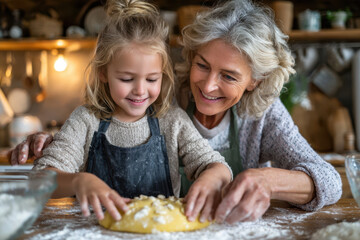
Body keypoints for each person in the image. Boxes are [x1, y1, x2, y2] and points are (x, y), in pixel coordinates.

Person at [11, 0, 342, 224]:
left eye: (228, 76)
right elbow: (104, 131)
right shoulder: (165, 97)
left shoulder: (260, 114)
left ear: (256, 81)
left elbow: (328, 179)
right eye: (202, 65)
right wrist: (59, 149)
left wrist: (265, 181)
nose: (208, 86)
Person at [14, 0, 232, 223]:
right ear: (102, 72)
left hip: (159, 234)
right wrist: (79, 181)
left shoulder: (173, 122)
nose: (139, 90)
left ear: (163, 75)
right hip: (93, 234)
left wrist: (212, 178)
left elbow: (219, 168)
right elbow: (41, 179)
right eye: (127, 79)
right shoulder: (86, 121)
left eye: (151, 79)